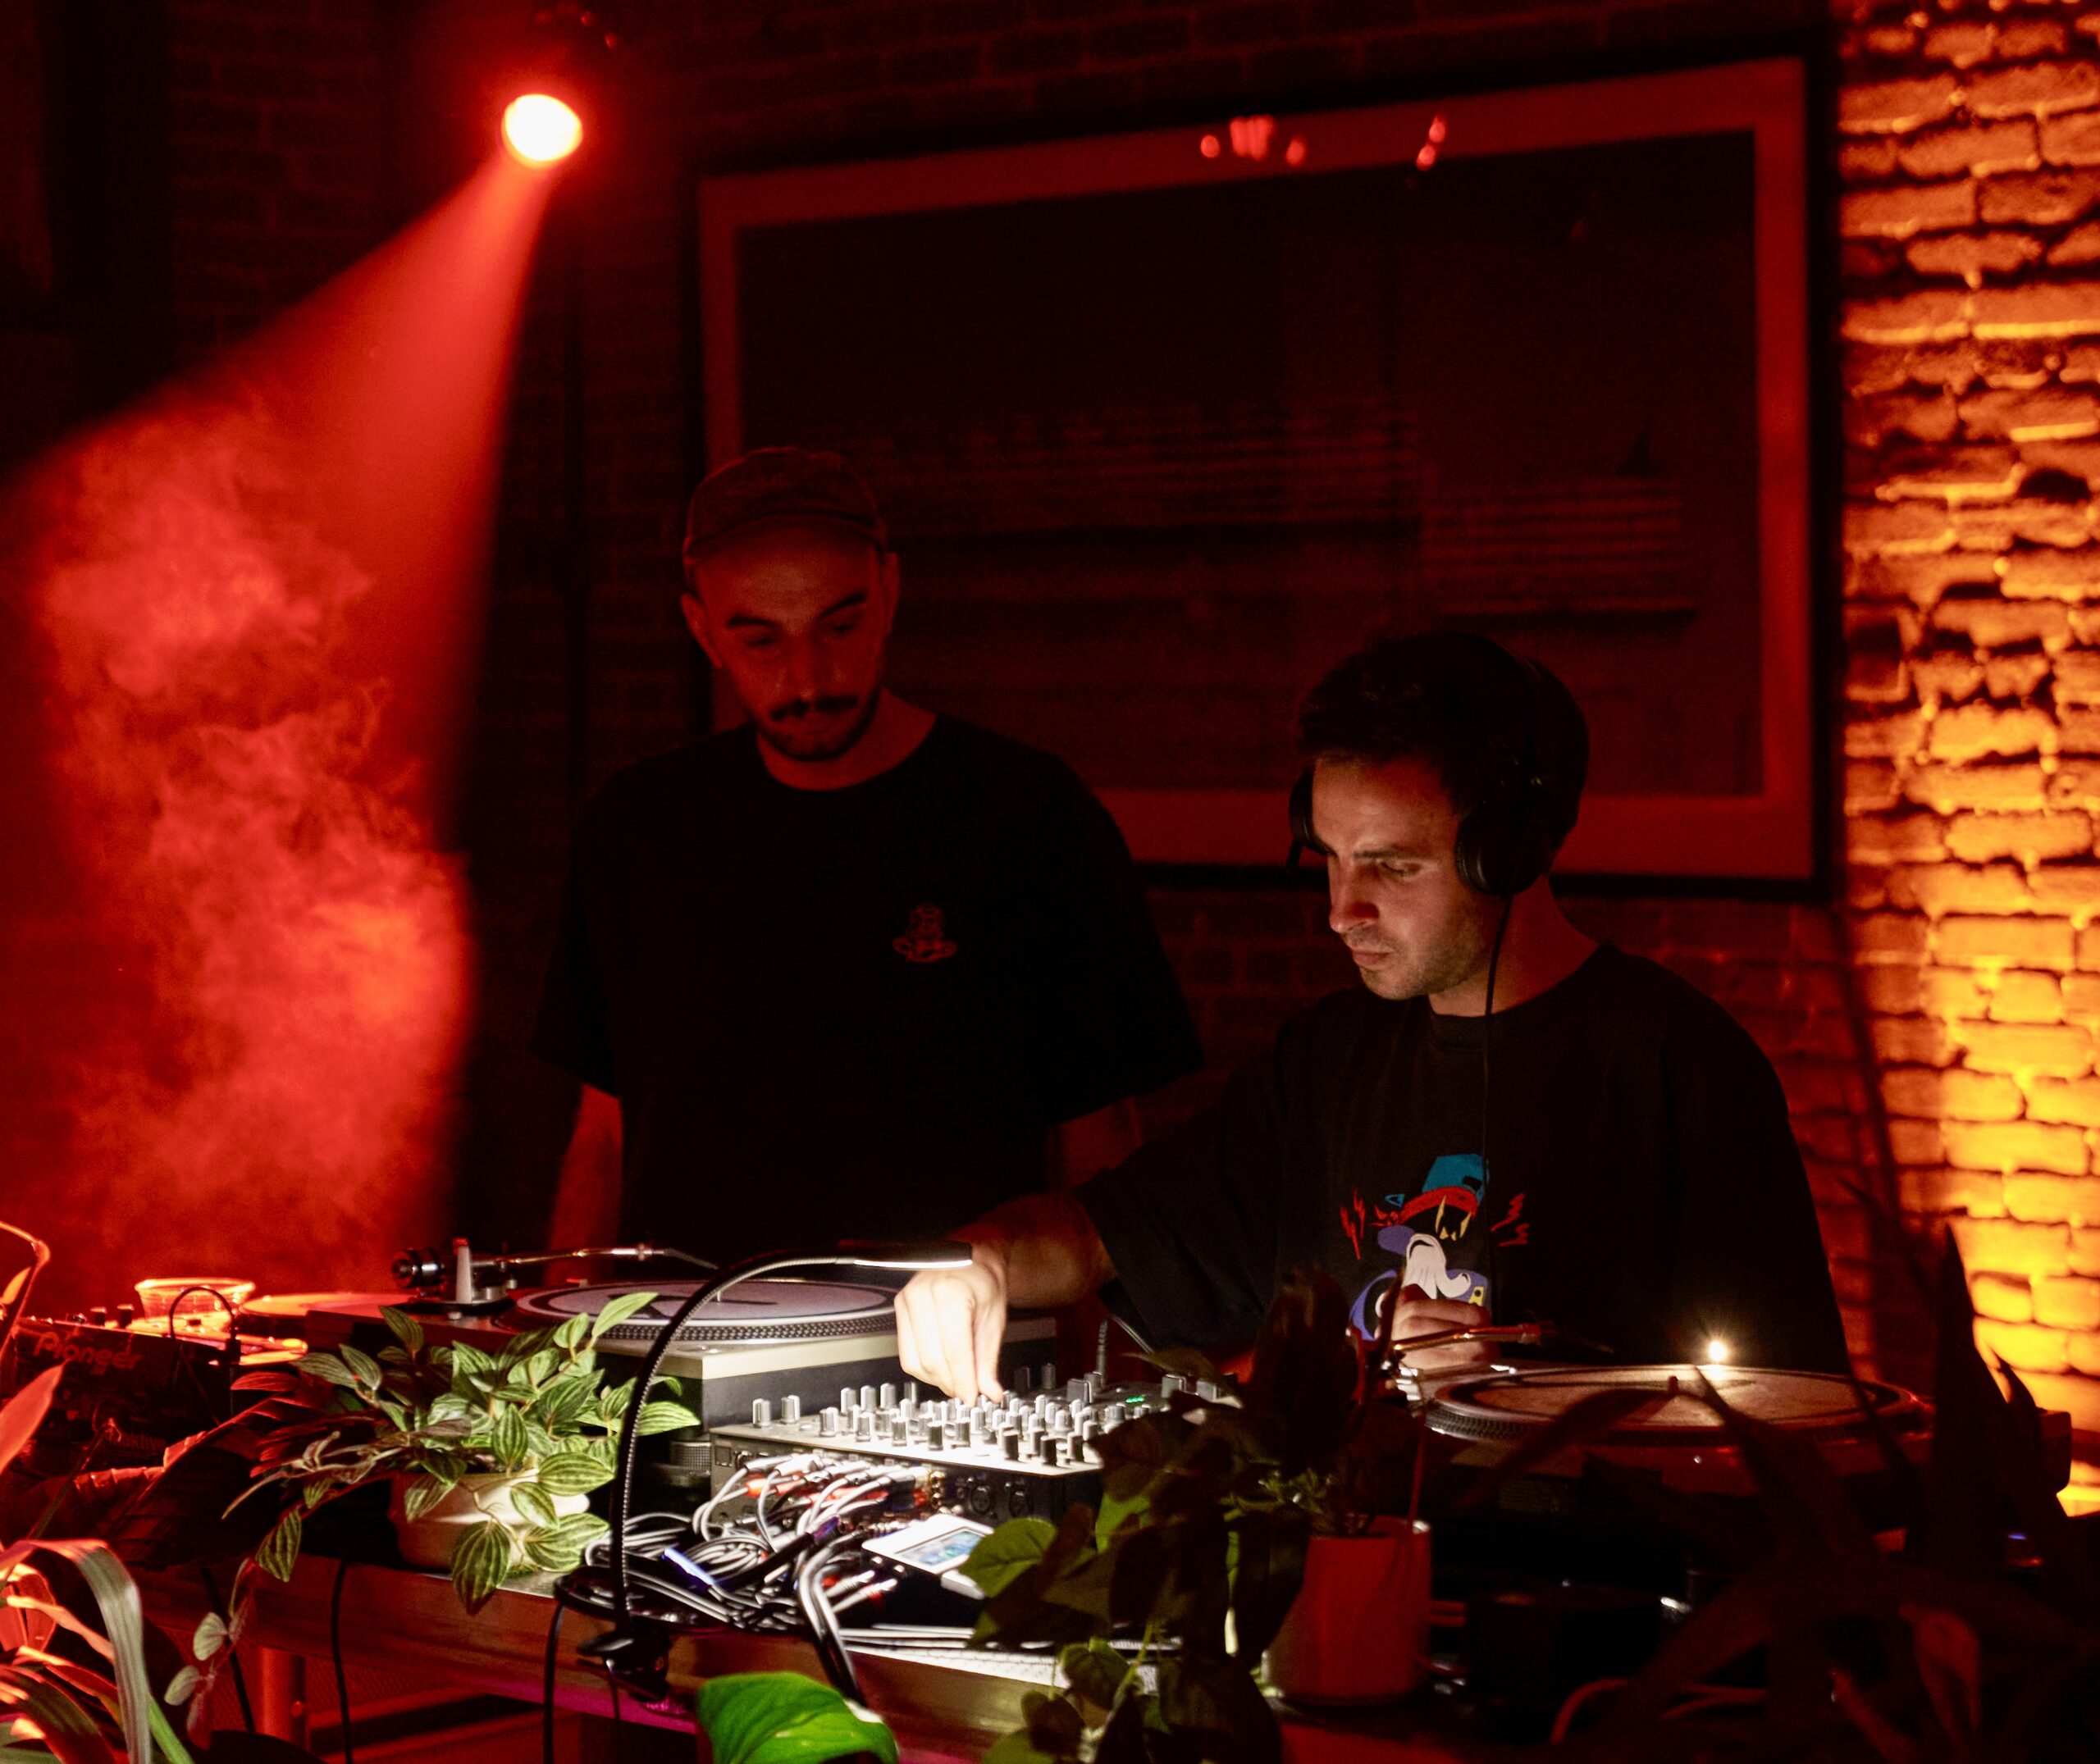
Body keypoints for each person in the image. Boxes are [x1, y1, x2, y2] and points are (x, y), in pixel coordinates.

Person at [894, 631, 1850, 1400]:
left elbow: (1789, 1417)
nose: (1341, 910)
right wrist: (975, 1263)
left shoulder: (1675, 1066)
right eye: (1329, 859)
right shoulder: (1325, 1062)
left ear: (1508, 850)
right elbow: (1089, 1235)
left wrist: (1517, 1386)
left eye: (1392, 866)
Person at [534, 447, 1203, 1265]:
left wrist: (1098, 1359)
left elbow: (1099, 1135)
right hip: (678, 1361)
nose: (807, 677)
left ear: (890, 589)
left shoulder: (1026, 813)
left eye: (838, 626)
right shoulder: (636, 827)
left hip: (952, 1360)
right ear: (701, 628)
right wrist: (558, 1344)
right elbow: (604, 1126)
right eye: (760, 641)